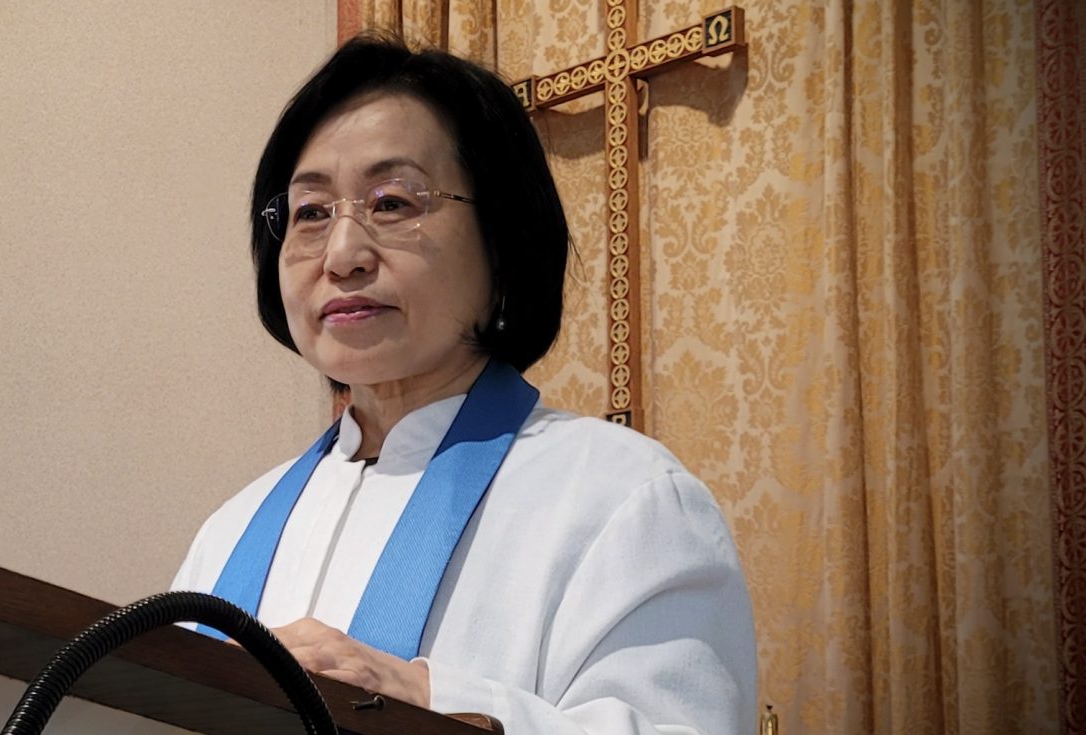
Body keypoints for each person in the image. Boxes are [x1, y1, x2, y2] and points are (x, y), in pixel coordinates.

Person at [171, 34, 756, 735]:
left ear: (502, 239)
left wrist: (423, 694)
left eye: (391, 202)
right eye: (311, 212)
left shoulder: (623, 500)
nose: (343, 254)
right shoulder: (230, 530)